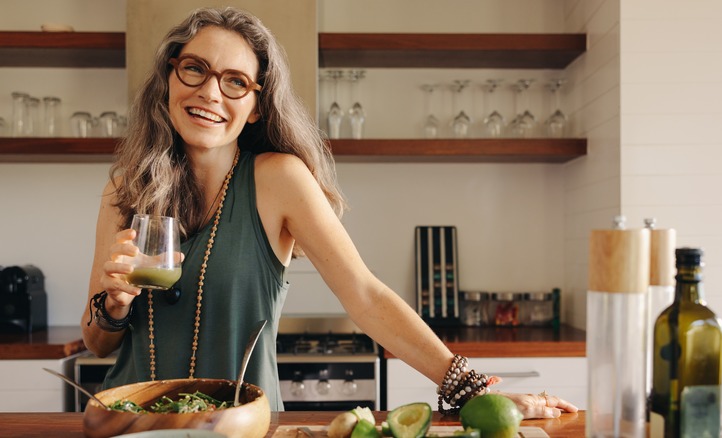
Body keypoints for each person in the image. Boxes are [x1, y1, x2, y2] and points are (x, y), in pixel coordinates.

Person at [80, 6, 578, 418]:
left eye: (235, 81)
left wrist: (470, 387)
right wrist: (113, 305)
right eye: (195, 69)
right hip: (128, 425)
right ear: (170, 75)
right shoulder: (125, 189)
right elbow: (97, 341)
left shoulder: (278, 179)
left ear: (255, 105)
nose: (210, 92)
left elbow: (366, 296)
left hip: (240, 428)